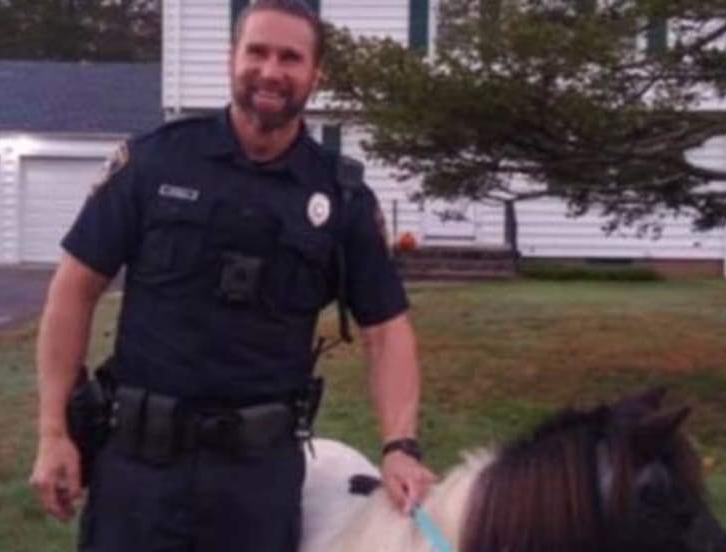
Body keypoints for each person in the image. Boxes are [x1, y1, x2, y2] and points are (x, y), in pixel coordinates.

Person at [29, 0, 433, 550]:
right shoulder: (154, 162)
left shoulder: (342, 199)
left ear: (315, 74)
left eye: (290, 58)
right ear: (231, 60)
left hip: (256, 488)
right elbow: (73, 291)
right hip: (138, 475)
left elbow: (386, 331)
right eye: (257, 52)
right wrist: (53, 431)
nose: (270, 71)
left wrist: (400, 446)